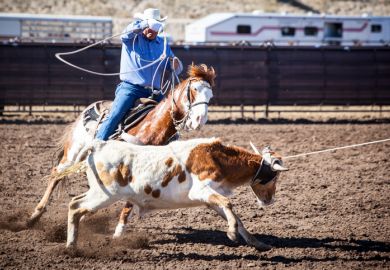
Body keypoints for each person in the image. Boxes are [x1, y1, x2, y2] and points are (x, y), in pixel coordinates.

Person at [96, 8, 183, 141]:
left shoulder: (163, 45)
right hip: (131, 89)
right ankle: (97, 143)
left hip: (155, 92)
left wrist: (175, 65)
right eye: (149, 26)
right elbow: (125, 34)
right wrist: (145, 23)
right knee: (116, 113)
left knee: (170, 117)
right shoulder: (132, 38)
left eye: (154, 27)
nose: (150, 30)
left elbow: (175, 66)